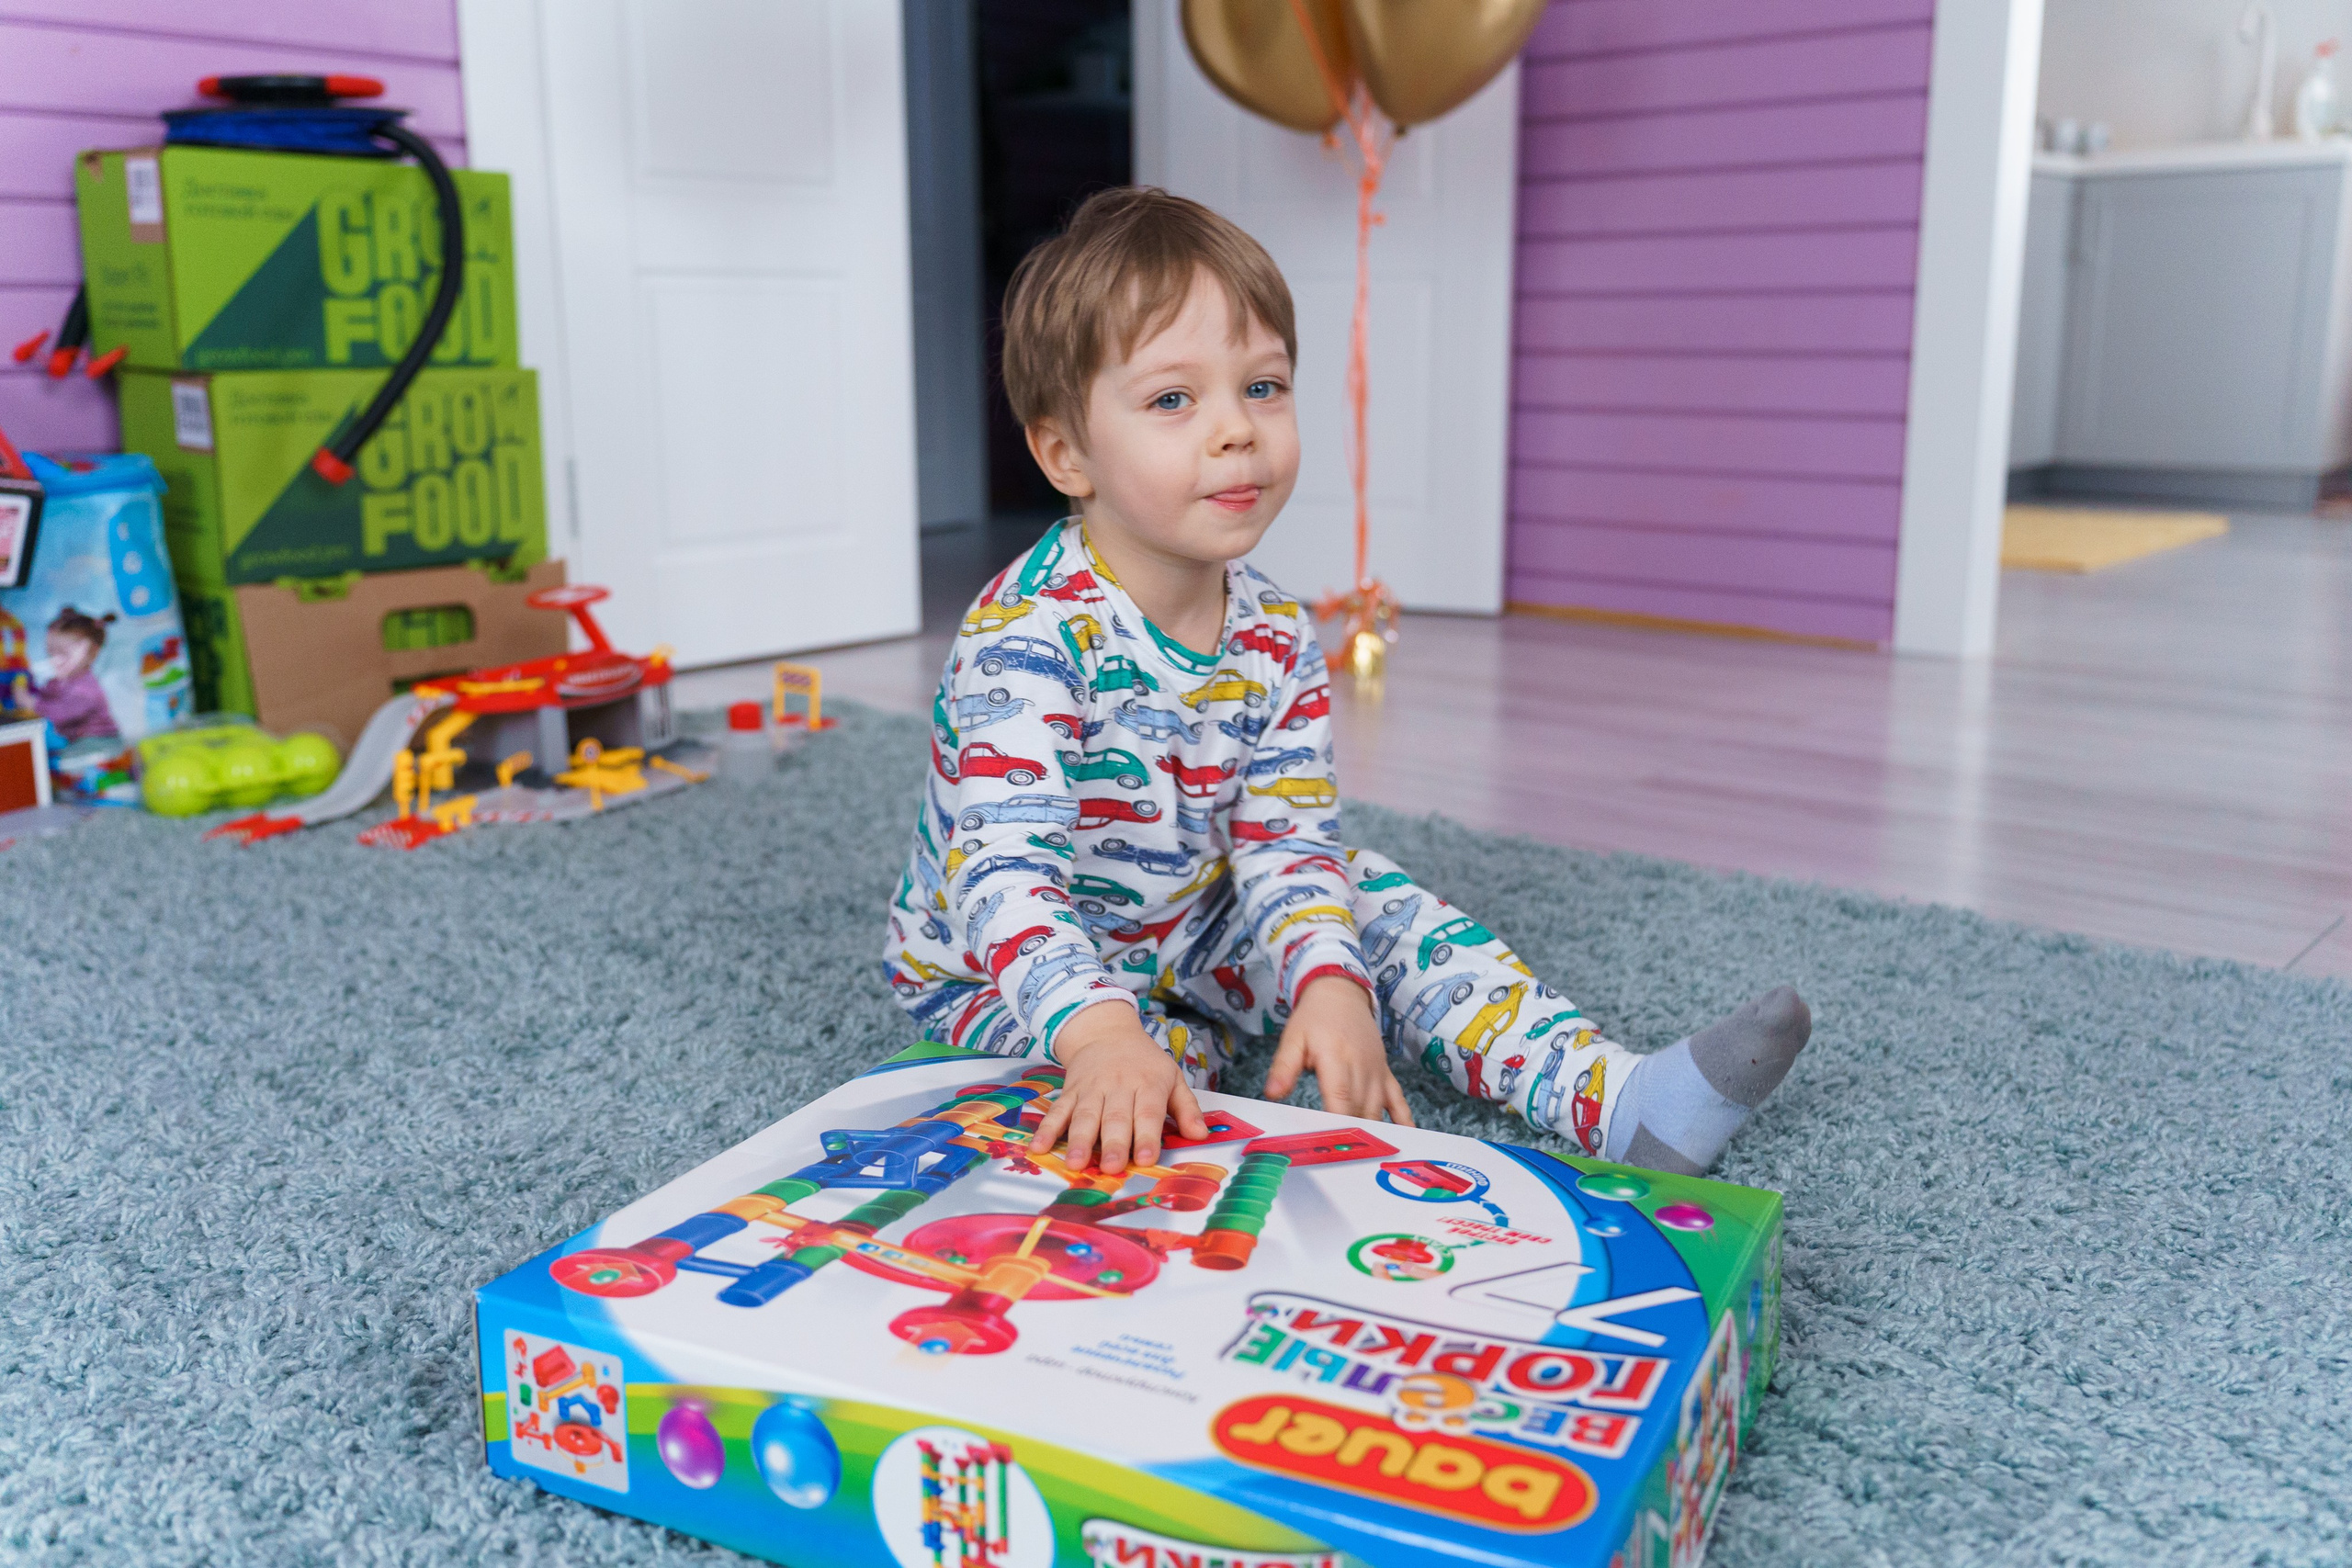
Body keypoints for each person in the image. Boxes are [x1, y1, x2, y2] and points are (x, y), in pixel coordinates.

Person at [884, 187, 1809, 1178]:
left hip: (1196, 929)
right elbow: (1002, 880)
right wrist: (1102, 1033)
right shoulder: (1022, 636)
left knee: (1365, 898)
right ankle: (1164, 1050)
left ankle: (1618, 1098)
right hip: (995, 979)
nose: (1236, 431)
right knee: (1064, 1102)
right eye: (1171, 400)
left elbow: (1283, 843)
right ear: (1066, 452)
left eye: (1264, 387)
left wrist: (1331, 981)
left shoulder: (1277, 634)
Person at [36, 606, 119, 743]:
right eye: (51, 654)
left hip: (101, 741)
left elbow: (61, 714)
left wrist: (31, 703)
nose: (55, 661)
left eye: (64, 654)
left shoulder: (86, 689)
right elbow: (49, 694)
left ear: (91, 652)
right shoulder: (60, 681)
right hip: (79, 742)